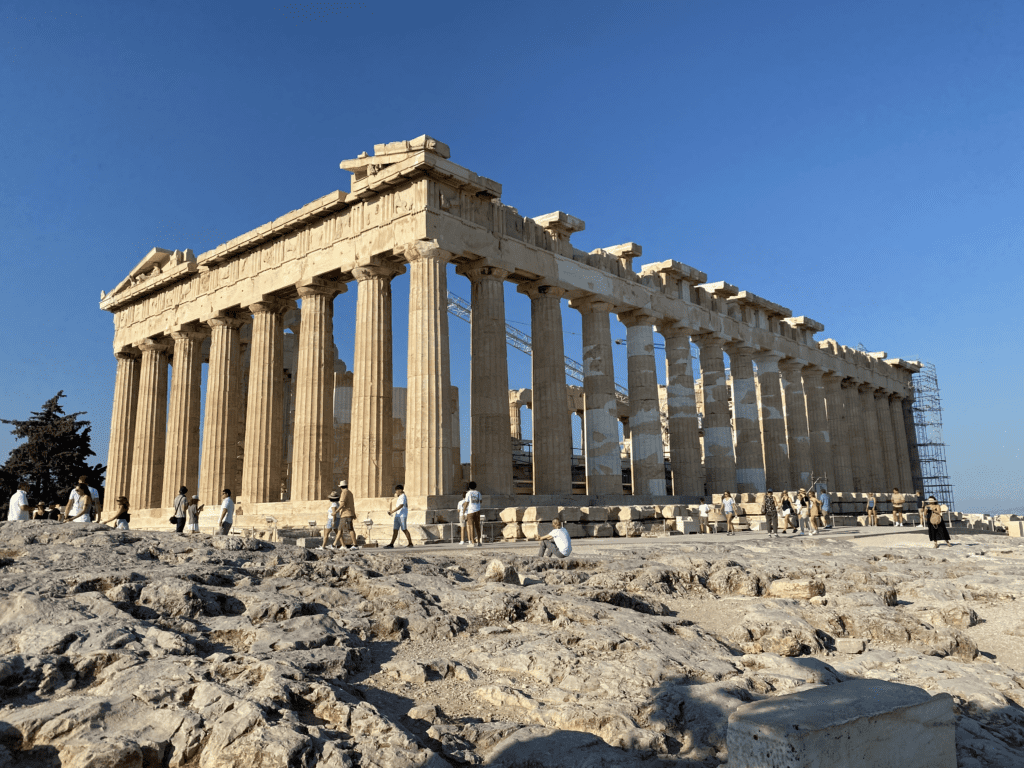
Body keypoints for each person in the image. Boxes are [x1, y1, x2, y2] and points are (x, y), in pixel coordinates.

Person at [384, 484, 413, 548]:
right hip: (398, 515)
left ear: (400, 490)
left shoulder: (403, 496)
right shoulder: (399, 497)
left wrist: (392, 511)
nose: (396, 492)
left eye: (396, 490)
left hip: (402, 515)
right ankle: (391, 544)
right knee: (395, 530)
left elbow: (401, 505)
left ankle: (410, 543)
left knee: (404, 529)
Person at [333, 480, 358, 550]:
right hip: (348, 513)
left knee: (349, 529)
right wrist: (353, 513)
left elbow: (342, 504)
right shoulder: (350, 493)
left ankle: (355, 545)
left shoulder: (344, 492)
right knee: (341, 529)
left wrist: (336, 511)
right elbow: (352, 504)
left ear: (341, 487)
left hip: (345, 514)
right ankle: (334, 544)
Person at [464, 481, 483, 547]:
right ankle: (479, 542)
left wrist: (463, 511)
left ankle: (472, 542)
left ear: (469, 487)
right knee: (478, 527)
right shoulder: (478, 493)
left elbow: (466, 503)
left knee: (471, 527)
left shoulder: (468, 493)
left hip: (470, 511)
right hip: (477, 511)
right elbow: (481, 501)